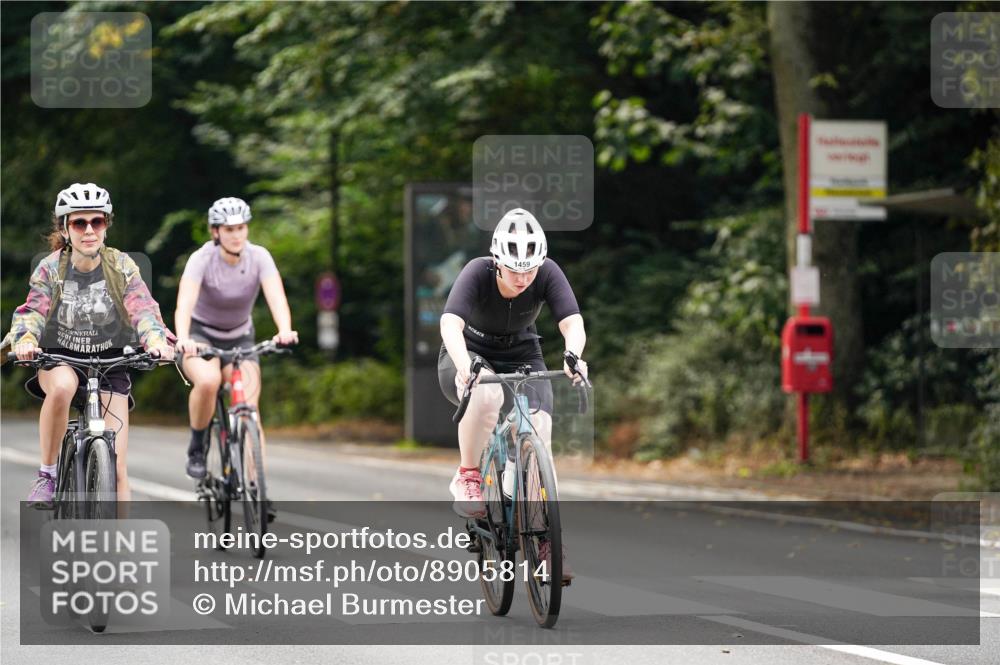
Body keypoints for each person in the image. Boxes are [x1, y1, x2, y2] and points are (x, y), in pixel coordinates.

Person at [2, 183, 176, 507]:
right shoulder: (50, 268)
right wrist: (26, 340)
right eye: (79, 223)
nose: (89, 230)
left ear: (106, 226)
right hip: (59, 357)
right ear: (66, 229)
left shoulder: (122, 266)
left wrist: (156, 340)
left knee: (118, 467)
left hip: (110, 363)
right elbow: (32, 312)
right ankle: (48, 473)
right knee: (64, 386)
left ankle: (119, 549)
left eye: (96, 222)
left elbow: (144, 309)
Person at [438, 208, 588, 580]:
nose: (523, 278)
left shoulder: (548, 271)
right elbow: (450, 322)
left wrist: (574, 355)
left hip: (523, 352)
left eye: (530, 270)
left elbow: (571, 321)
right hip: (470, 352)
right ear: (497, 261)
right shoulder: (477, 271)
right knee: (487, 398)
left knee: (539, 431)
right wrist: (464, 365)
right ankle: (469, 474)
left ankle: (544, 542)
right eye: (514, 269)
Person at [174, 197, 297, 520]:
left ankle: (257, 489)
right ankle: (198, 446)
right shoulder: (202, 259)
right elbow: (184, 303)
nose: (236, 235)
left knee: (250, 410)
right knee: (209, 380)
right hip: (201, 335)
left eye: (241, 228)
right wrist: (184, 339)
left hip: (240, 336)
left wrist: (285, 330)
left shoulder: (259, 257)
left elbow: (276, 296)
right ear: (216, 232)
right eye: (229, 229)